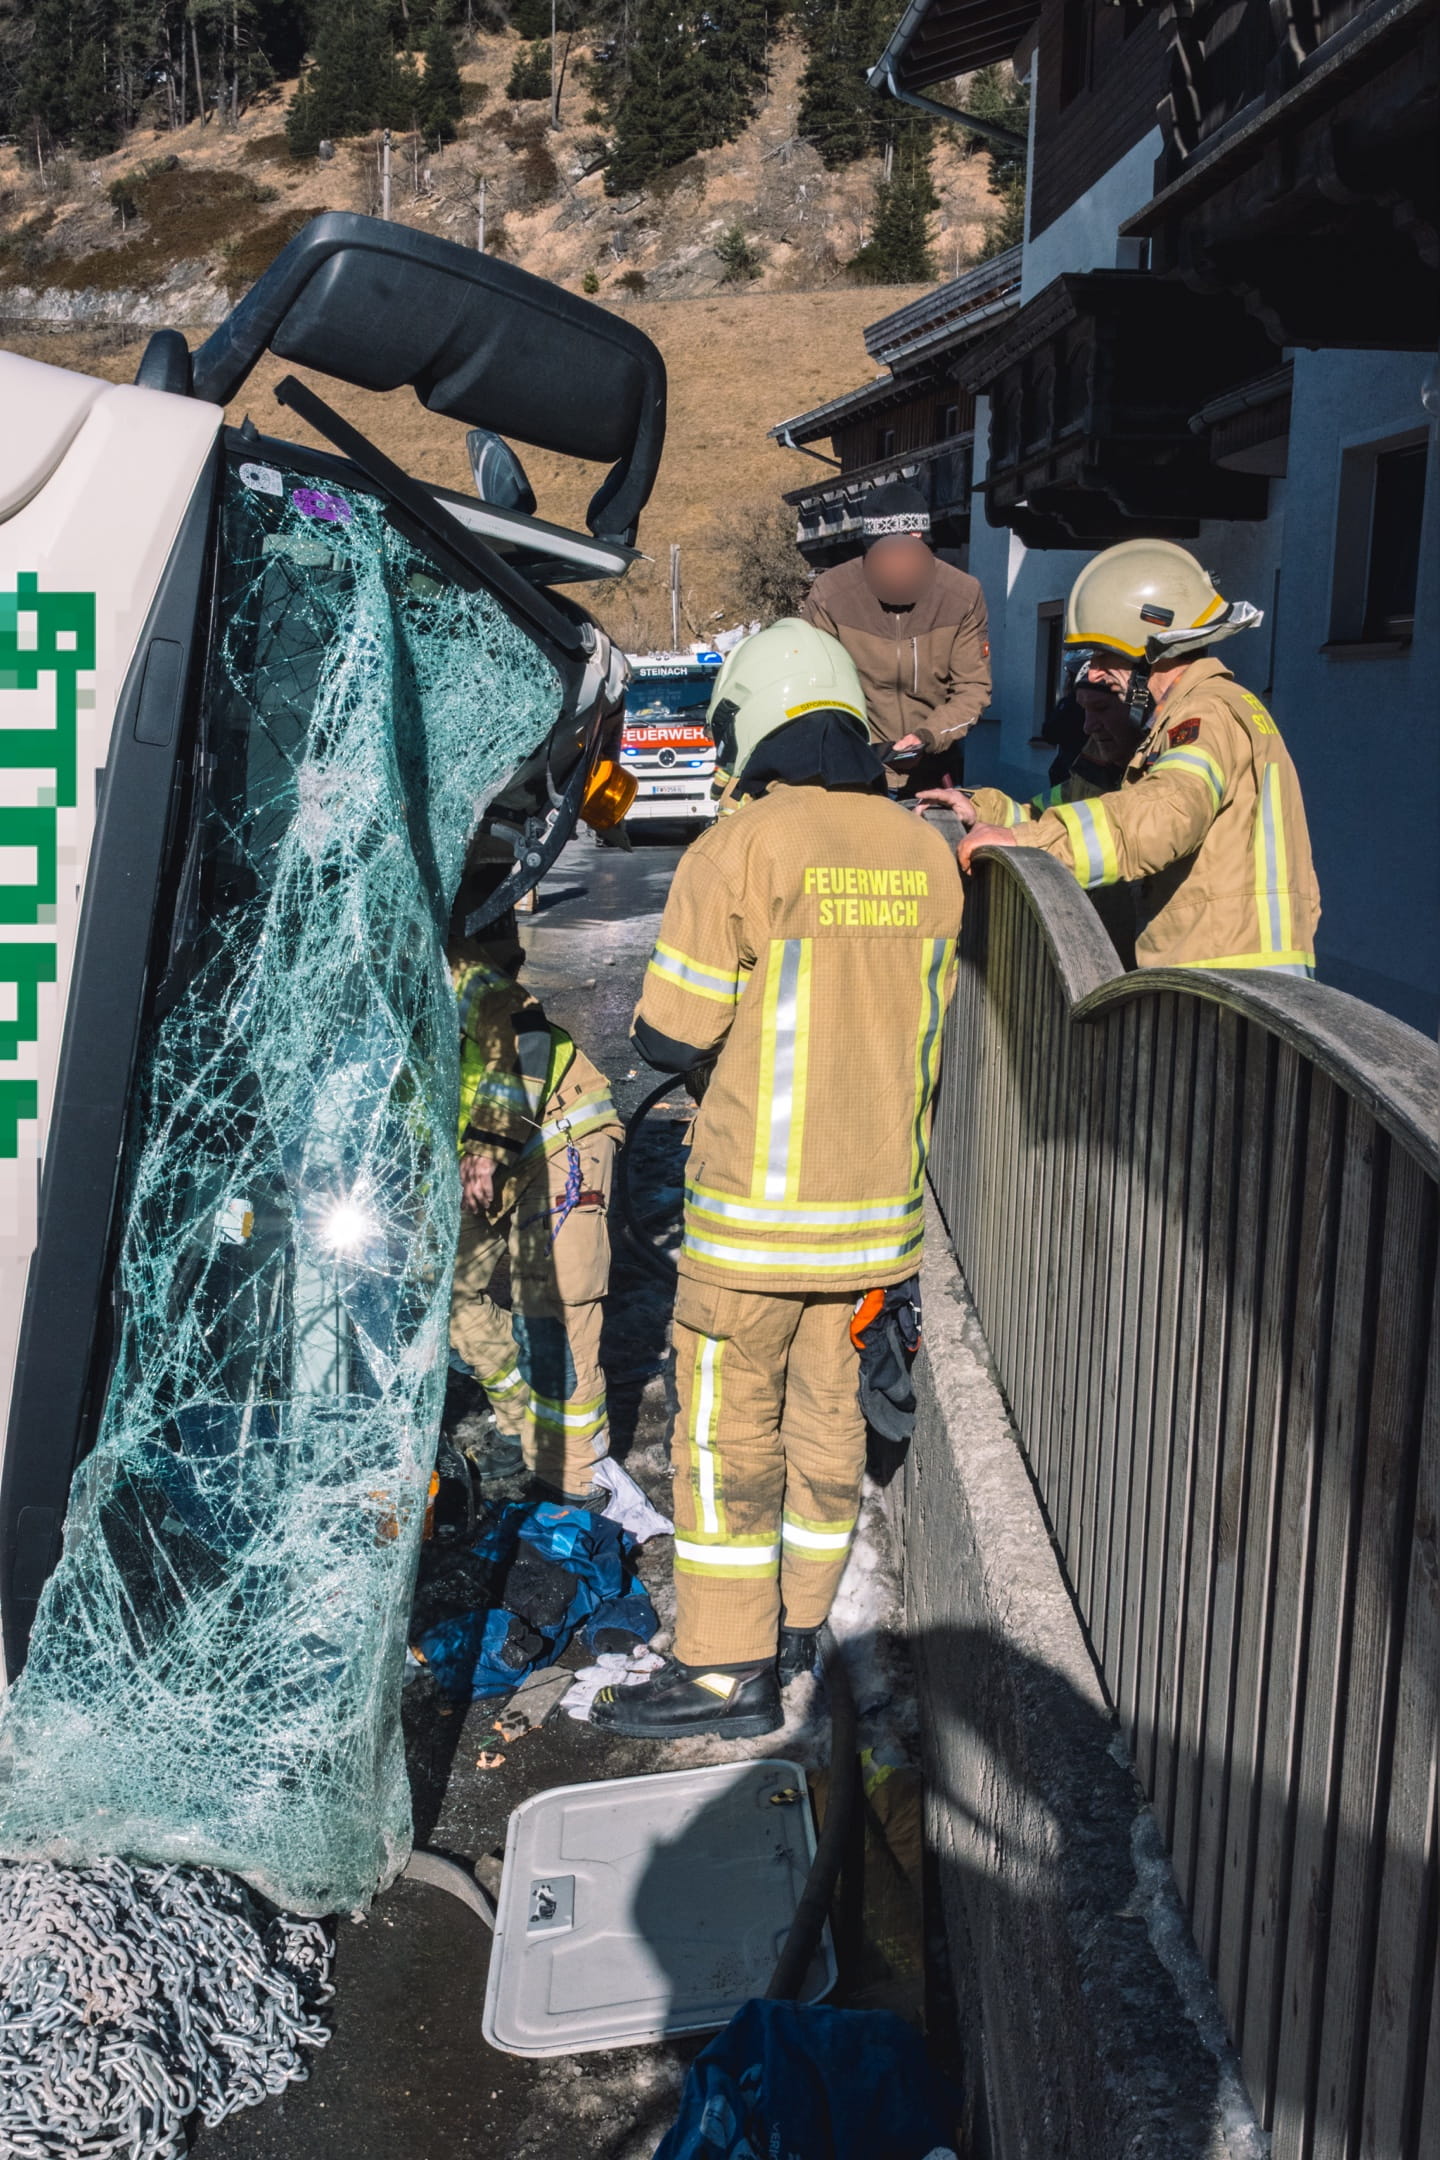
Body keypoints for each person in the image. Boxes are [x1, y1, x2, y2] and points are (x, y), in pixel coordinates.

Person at [590, 620, 963, 1741]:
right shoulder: (923, 853)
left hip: (755, 1224)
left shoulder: (741, 847)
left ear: (752, 724)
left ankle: (722, 1667)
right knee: (828, 1428)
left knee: (722, 1439)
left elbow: (670, 1032)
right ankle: (799, 1627)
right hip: (876, 1225)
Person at [921, 539, 1320, 975]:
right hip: (1223, 969)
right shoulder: (1172, 724)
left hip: (1236, 977)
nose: (1093, 672)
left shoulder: (1207, 711)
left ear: (1152, 654)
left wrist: (1031, 843)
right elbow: (1069, 808)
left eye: (1106, 655)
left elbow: (1163, 815)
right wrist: (979, 809)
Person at [448, 921, 623, 1500]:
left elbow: (522, 1028)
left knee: (552, 1311)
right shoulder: (352, 1003)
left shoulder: (442, 961)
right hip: (482, 1155)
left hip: (558, 1133)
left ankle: (575, 1478)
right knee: (445, 1290)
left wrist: (487, 1145)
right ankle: (520, 1420)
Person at [798, 482, 990, 796]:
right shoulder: (831, 593)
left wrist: (928, 736)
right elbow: (811, 683)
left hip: (933, 767)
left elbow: (973, 687)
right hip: (853, 771)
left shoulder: (963, 595)